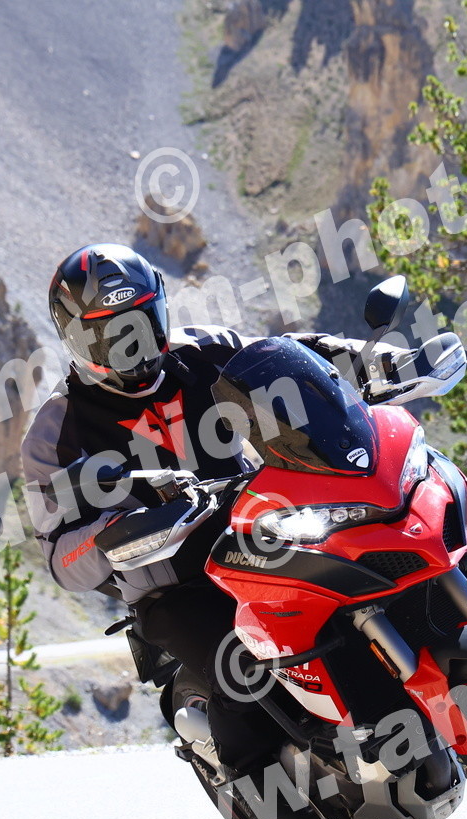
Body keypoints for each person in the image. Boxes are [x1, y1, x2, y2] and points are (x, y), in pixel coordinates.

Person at [20, 242, 399, 778]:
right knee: (242, 671)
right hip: (173, 583)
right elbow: (62, 557)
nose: (128, 346)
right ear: (72, 338)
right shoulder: (57, 430)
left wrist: (376, 360)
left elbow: (294, 361)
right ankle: (259, 788)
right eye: (104, 335)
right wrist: (126, 526)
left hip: (262, 539)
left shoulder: (204, 351)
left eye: (138, 324)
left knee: (368, 581)